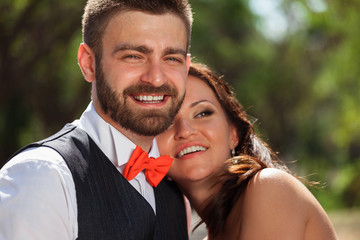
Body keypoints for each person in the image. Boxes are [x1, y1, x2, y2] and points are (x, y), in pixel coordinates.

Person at [0, 0, 193, 239]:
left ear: (186, 67)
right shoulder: (42, 177)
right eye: (134, 56)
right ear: (88, 63)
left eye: (171, 58)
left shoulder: (177, 193)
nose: (155, 78)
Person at [156, 63, 338, 240]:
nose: (185, 130)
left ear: (233, 133)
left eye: (203, 113)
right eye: (167, 121)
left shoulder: (269, 187)